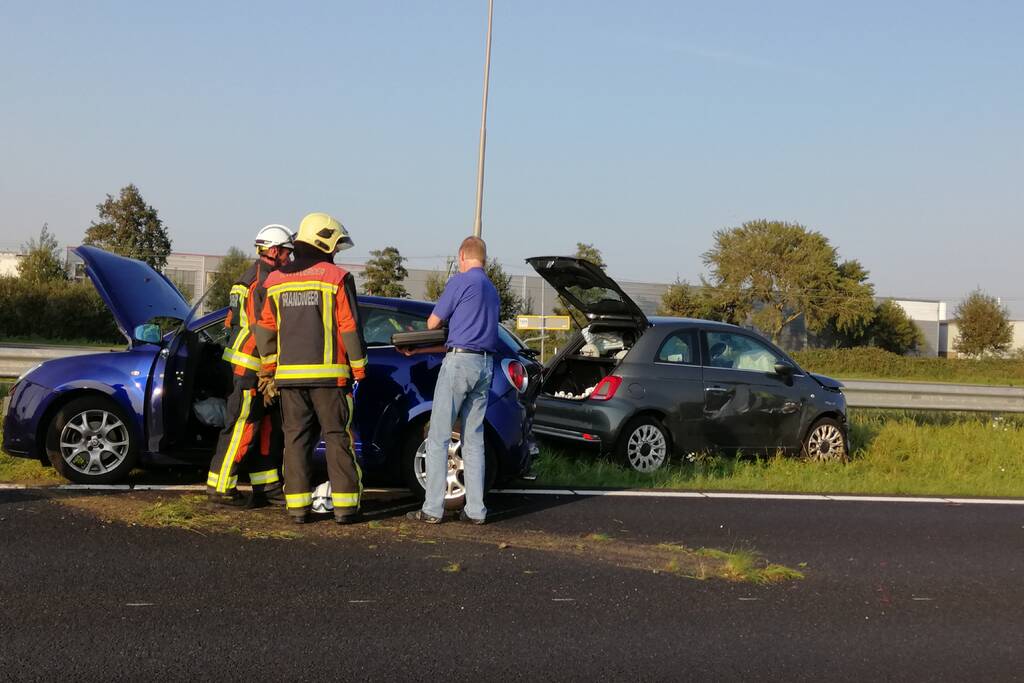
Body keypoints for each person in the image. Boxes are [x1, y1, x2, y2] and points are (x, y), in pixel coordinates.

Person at [254, 212, 368, 524]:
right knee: (336, 437)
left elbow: (264, 328)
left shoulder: (275, 280)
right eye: (335, 246)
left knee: (295, 440)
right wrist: (359, 369)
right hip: (330, 378)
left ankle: (298, 508)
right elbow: (348, 328)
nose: (336, 252)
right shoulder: (337, 278)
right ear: (324, 241)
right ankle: (345, 508)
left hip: (289, 379)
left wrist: (269, 369)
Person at [403, 236, 499, 525]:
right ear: (483, 258)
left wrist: (416, 338)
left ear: (462, 256)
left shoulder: (461, 281)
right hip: (485, 365)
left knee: (439, 436)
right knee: (473, 439)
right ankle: (476, 511)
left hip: (459, 364)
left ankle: (432, 509)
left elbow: (434, 323)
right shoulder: (492, 290)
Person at [206, 224, 293, 507]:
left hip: (251, 364)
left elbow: (230, 320)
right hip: (251, 366)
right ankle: (220, 488)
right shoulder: (264, 281)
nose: (290, 259)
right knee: (242, 425)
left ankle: (266, 486)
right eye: (287, 253)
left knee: (264, 426)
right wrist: (269, 367)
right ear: (274, 251)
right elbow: (262, 326)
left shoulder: (248, 276)